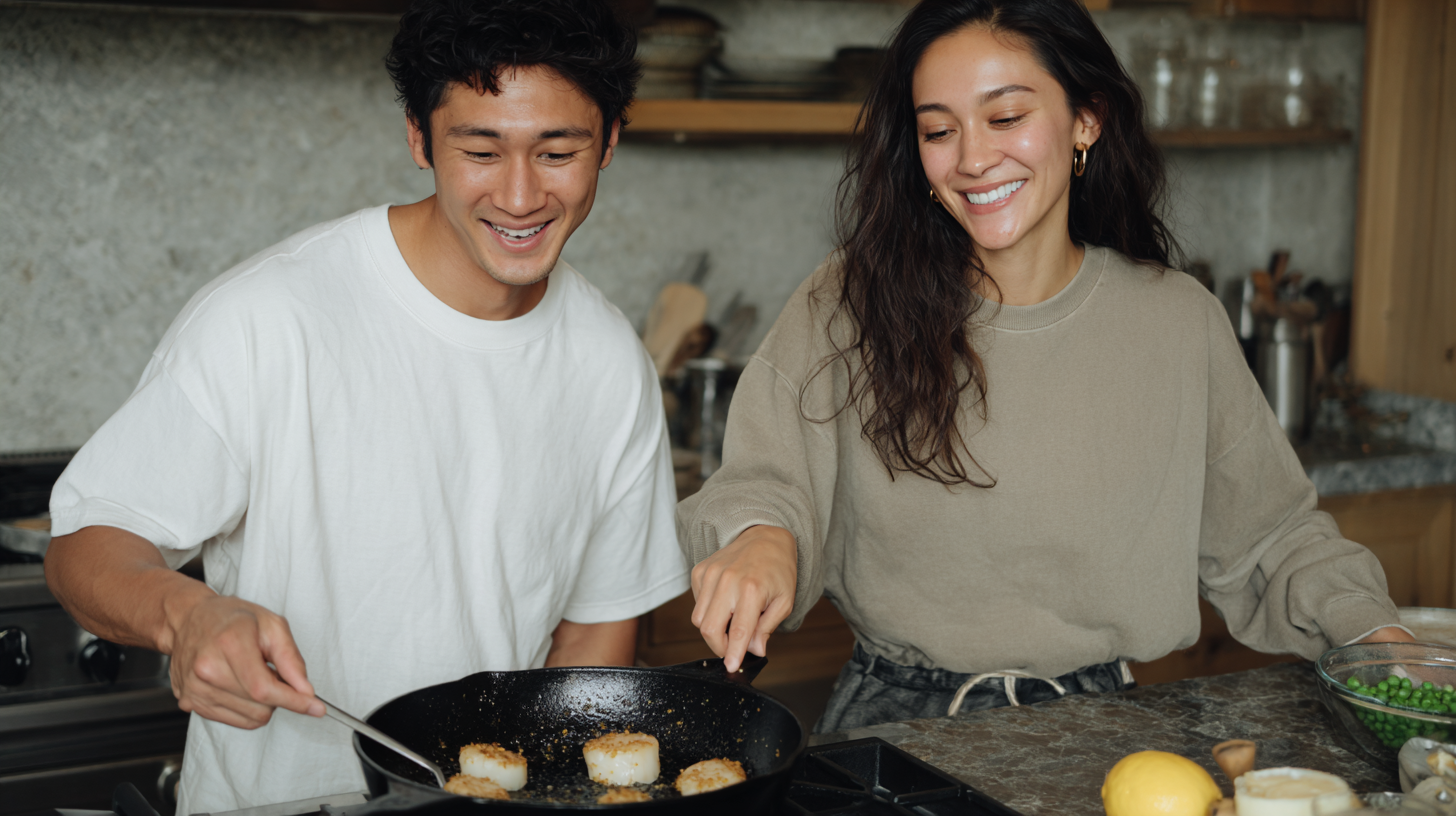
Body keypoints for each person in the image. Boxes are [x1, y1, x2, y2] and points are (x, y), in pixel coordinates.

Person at [677, 0, 1411, 734]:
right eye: (939, 130)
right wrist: (761, 534)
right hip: (896, 727)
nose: (971, 158)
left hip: (1108, 734)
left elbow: (1272, 539)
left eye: (1005, 117)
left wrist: (1380, 642)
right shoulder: (848, 300)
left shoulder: (1178, 320)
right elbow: (765, 480)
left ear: (1086, 119)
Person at [43, 0, 689, 810]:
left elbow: (595, 632)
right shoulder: (270, 317)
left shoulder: (610, 360)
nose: (521, 195)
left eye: (559, 152)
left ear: (610, 142)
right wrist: (186, 612)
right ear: (420, 139)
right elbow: (84, 548)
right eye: (480, 151)